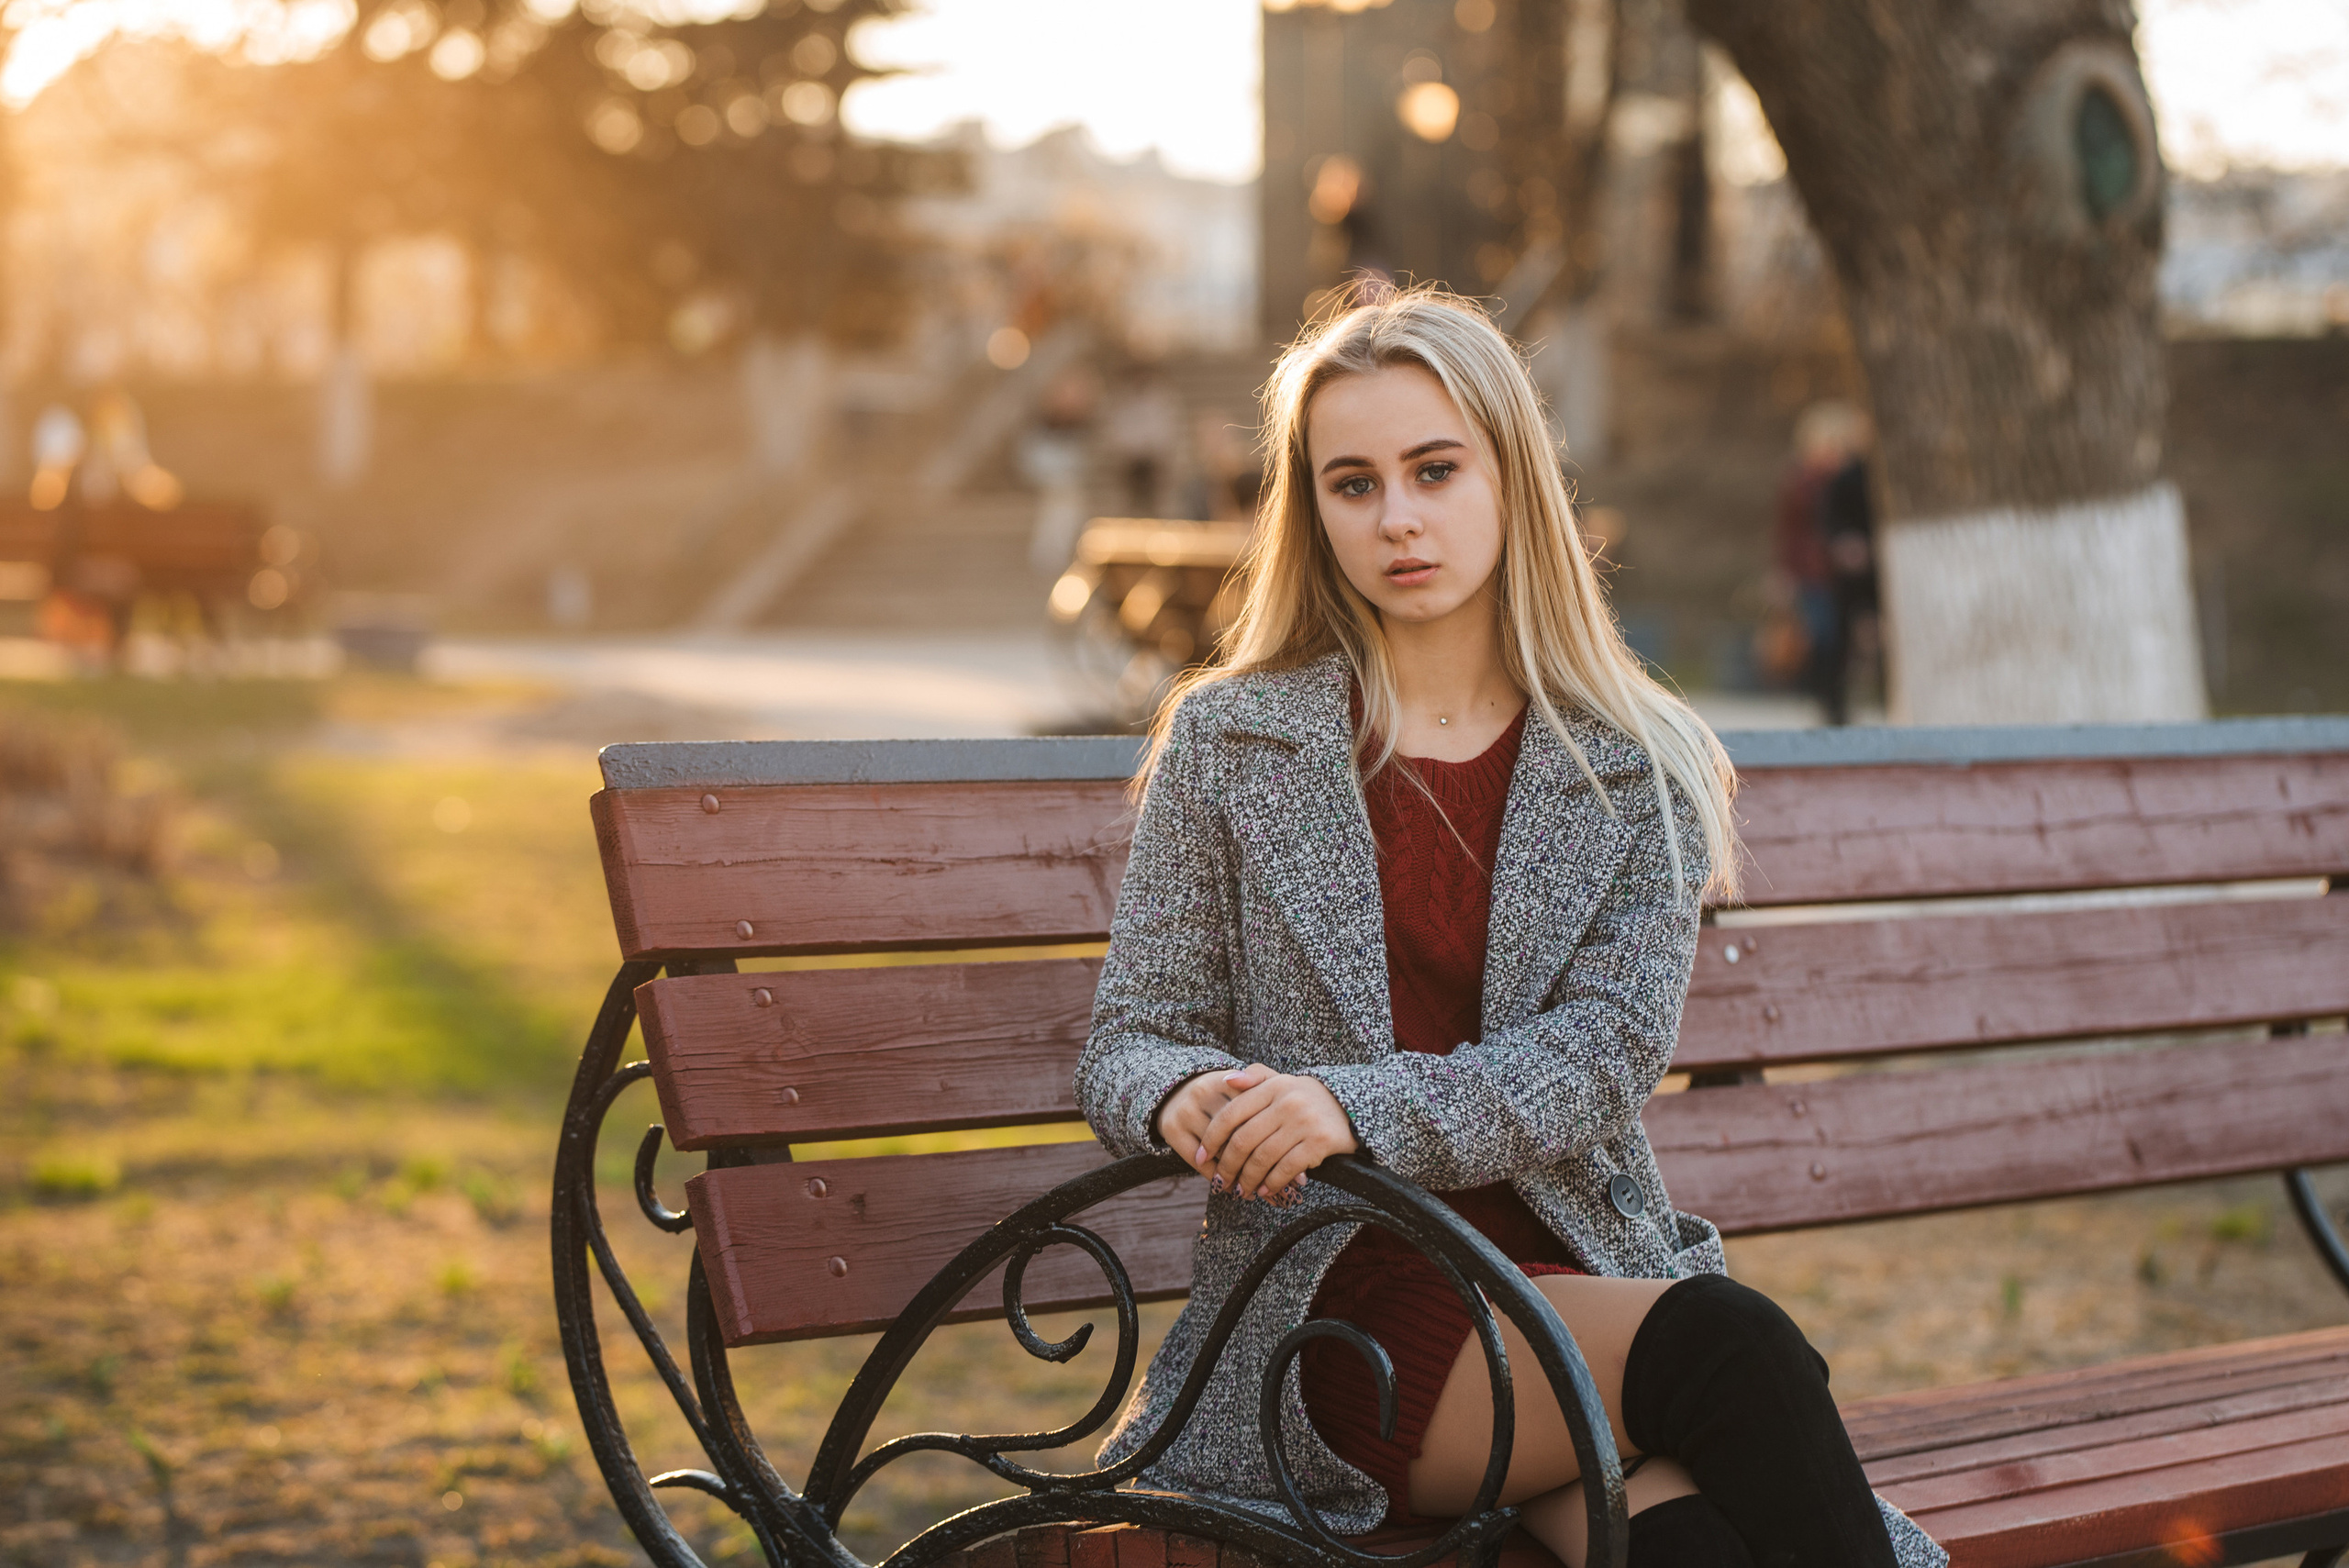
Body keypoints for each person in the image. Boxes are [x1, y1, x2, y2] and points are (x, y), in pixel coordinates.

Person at [1075, 289, 1944, 1568]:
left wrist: (1352, 1102)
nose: (1398, 518)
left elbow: (1601, 1055)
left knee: (1697, 1553)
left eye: (1435, 469)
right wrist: (1196, 1099)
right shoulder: (1233, 737)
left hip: (1573, 1276)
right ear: (1310, 509)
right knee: (1732, 1343)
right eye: (1352, 484)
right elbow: (1128, 1044)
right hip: (1343, 1312)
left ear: (1510, 477)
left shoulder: (1630, 762)